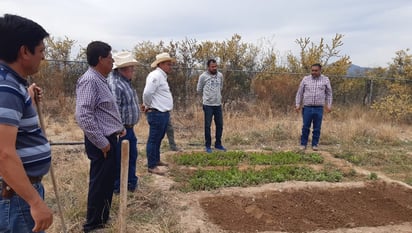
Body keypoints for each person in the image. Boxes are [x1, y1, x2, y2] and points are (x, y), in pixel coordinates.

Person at [0, 14, 53, 233]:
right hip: (16, 197)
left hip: (17, 193)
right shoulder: (7, 87)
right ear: (24, 51)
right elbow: (3, 152)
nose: (43, 57)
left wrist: (27, 99)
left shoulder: (12, 85)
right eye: (40, 50)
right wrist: (35, 202)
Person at [75, 41, 126, 232]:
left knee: (107, 180)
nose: (112, 61)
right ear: (100, 59)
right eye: (110, 58)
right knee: (99, 181)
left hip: (109, 138)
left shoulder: (100, 79)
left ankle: (103, 218)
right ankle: (93, 224)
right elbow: (84, 115)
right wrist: (102, 143)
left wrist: (118, 128)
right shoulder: (89, 80)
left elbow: (102, 111)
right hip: (101, 142)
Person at [108, 51, 140, 194]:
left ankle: (130, 183)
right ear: (121, 69)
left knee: (131, 156)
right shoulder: (116, 84)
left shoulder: (125, 82)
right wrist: (119, 129)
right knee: (120, 159)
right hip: (121, 131)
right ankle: (118, 187)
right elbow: (114, 110)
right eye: (130, 67)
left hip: (129, 129)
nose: (133, 70)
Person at [142, 52, 175, 175]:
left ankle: (156, 160)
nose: (170, 66)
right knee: (154, 139)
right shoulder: (155, 76)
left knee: (159, 138)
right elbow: (147, 93)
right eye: (168, 64)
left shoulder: (162, 76)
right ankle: (151, 165)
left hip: (163, 113)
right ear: (160, 64)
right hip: (157, 113)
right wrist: (147, 105)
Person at [295, 63, 333, 151]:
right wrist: (297, 104)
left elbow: (329, 94)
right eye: (312, 70)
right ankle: (303, 144)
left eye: (316, 70)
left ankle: (315, 144)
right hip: (307, 107)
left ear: (320, 70)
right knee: (305, 127)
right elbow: (299, 93)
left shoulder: (325, 80)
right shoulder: (305, 79)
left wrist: (329, 105)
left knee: (317, 127)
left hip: (319, 108)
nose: (313, 72)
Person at [196, 59, 226, 153]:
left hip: (217, 104)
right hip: (208, 105)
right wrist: (207, 97)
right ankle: (208, 145)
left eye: (216, 66)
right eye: (212, 67)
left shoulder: (220, 75)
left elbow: (221, 86)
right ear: (208, 67)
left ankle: (218, 144)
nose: (214, 68)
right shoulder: (203, 76)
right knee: (207, 126)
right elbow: (199, 89)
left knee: (220, 125)